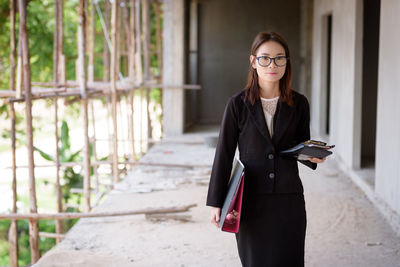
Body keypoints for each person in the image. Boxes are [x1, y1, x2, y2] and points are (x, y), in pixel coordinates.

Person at [206, 31, 325, 267]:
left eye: (280, 58)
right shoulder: (237, 105)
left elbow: (301, 143)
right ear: (253, 62)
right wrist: (216, 201)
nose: (273, 64)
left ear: (287, 62)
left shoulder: (299, 103)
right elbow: (224, 153)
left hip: (288, 200)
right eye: (265, 58)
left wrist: (312, 155)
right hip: (250, 201)